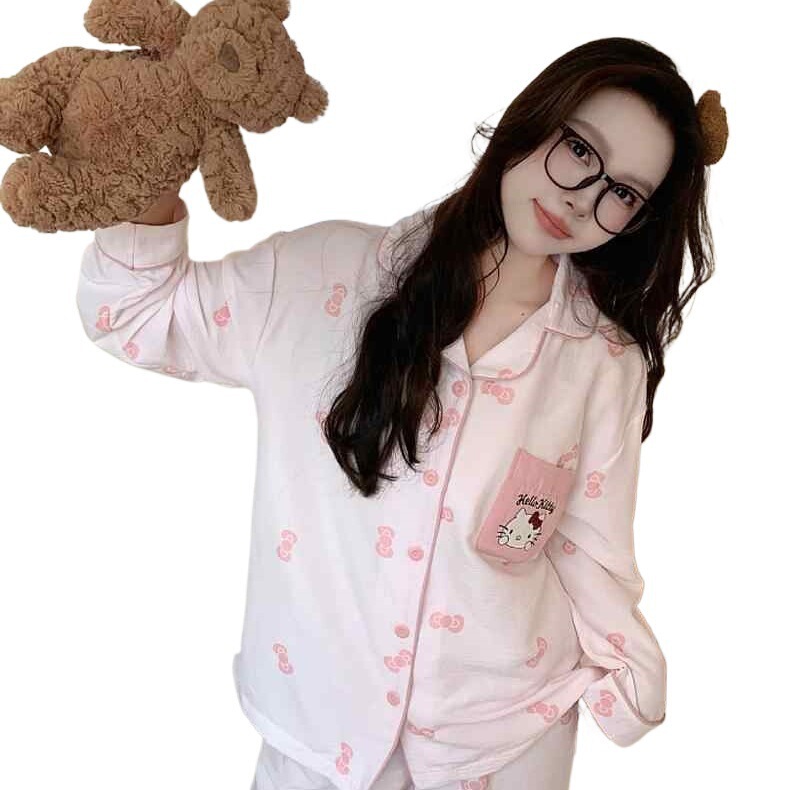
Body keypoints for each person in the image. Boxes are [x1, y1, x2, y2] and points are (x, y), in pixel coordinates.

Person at [75, 36, 715, 790]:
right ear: (533, 118)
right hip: (318, 729)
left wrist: (625, 684)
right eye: (579, 149)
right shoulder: (319, 276)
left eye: (624, 194)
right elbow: (136, 312)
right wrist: (148, 164)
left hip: (506, 741)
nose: (584, 199)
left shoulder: (604, 361)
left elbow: (587, 547)